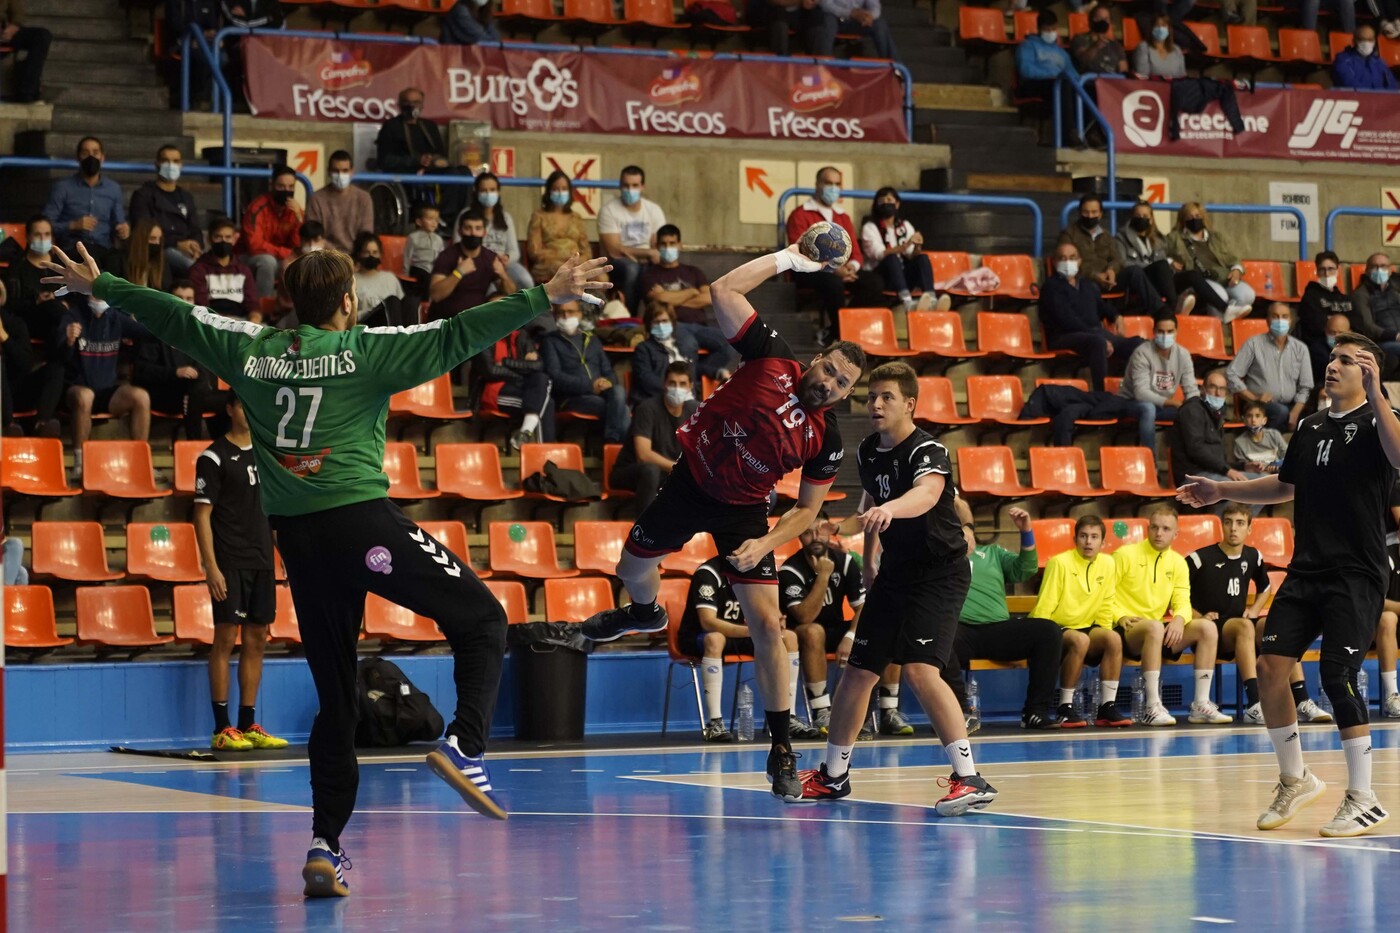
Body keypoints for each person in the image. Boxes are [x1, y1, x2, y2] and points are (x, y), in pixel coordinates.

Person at [42, 238, 612, 895]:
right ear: (347, 302)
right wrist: (544, 294)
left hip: (298, 543)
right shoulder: (366, 351)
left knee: (337, 697)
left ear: (292, 303)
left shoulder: (251, 350)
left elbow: (176, 314)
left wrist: (103, 285)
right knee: (483, 618)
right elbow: (458, 332)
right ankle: (465, 746)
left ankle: (324, 844)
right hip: (361, 526)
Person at [579, 242, 864, 802]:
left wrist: (764, 543)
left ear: (847, 394)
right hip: (690, 482)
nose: (829, 383)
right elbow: (723, 289)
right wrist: (791, 256)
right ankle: (643, 612)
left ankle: (781, 747)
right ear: (816, 360)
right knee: (630, 569)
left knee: (768, 625)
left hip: (745, 511)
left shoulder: (826, 439)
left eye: (841, 384)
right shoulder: (772, 356)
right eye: (829, 369)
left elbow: (808, 511)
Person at [1178, 330, 1399, 837]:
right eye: (1333, 358)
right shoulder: (1311, 426)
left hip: (1357, 571)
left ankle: (1364, 797)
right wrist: (1221, 490)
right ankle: (1295, 778)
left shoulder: (1381, 420)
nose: (1333, 366)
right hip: (1307, 569)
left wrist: (1378, 394)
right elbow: (1284, 485)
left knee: (1338, 676)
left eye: (1347, 361)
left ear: (1368, 372)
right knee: (1271, 667)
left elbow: (1398, 456)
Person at [799, 362, 996, 811]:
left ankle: (970, 778)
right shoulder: (869, 450)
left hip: (939, 573)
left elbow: (925, 495)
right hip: (894, 574)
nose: (876, 404)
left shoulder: (928, 450)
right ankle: (833, 776)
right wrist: (870, 557)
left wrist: (891, 510)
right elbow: (872, 502)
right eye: (871, 396)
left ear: (909, 404)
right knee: (858, 671)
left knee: (920, 671)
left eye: (886, 397)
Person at [194, 393, 287, 752]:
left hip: (261, 560)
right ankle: (221, 727)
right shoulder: (213, 457)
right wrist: (211, 567)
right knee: (225, 637)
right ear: (230, 409)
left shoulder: (266, 454)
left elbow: (274, 512)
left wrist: (285, 554)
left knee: (257, 638)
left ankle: (248, 723)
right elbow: (201, 516)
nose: (249, 412)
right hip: (229, 561)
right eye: (243, 405)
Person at [781, 512, 909, 737]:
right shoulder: (790, 570)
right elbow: (804, 616)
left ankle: (889, 712)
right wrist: (823, 576)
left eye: (820, 531)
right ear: (799, 536)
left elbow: (862, 607)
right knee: (813, 631)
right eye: (808, 533)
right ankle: (822, 710)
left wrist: (850, 636)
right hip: (803, 634)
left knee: (886, 626)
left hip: (837, 628)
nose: (816, 537)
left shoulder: (845, 561)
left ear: (829, 533)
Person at [938, 501, 1063, 730]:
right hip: (959, 630)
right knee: (939, 637)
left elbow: (1025, 570)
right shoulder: (938, 557)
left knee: (1049, 632)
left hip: (997, 631)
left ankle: (1035, 712)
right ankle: (960, 713)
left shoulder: (992, 553)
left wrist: (1026, 531)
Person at [1111, 504, 1230, 726]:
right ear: (1148, 529)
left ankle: (1200, 704)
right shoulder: (1124, 555)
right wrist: (1119, 616)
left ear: (1175, 534)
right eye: (1155, 527)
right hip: (1126, 629)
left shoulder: (1178, 563)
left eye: (1165, 529)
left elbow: (1182, 601)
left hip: (1156, 630)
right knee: (1155, 626)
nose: (1159, 533)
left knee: (1206, 627)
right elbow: (1105, 593)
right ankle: (1152, 706)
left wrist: (1179, 619)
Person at [681, 555, 815, 742]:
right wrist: (753, 630)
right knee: (715, 639)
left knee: (788, 638)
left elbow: (773, 613)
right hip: (700, 636)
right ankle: (714, 723)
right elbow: (707, 622)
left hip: (745, 632)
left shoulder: (758, 570)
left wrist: (776, 622)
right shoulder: (709, 573)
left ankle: (789, 718)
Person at [1031, 513, 1132, 728]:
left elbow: (1106, 603)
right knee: (1080, 640)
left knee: (1113, 638)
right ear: (1075, 539)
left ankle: (1107, 707)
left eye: (1094, 537)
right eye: (1083, 536)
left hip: (1088, 627)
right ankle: (1064, 707)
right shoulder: (1059, 563)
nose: (1088, 542)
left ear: (1103, 542)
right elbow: (1045, 605)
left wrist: (1104, 631)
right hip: (1056, 628)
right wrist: (1039, 642)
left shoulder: (1108, 563)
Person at [1186, 503, 1272, 725]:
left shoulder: (1253, 556)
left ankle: (1301, 700)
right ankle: (1255, 703)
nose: (1233, 528)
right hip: (1207, 631)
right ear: (1222, 526)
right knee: (1244, 626)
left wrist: (1254, 609)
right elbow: (1176, 594)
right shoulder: (1199, 558)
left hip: (1239, 630)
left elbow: (1265, 587)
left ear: (1249, 529)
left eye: (1240, 523)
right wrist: (1198, 616)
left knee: (1273, 626)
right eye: (1228, 522)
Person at [58, 294, 152, 480]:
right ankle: (80, 463)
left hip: (106, 391)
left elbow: (147, 334)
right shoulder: (72, 316)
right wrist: (68, 341)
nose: (100, 296)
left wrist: (165, 322)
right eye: (95, 290)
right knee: (85, 396)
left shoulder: (115, 317)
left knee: (140, 397)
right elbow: (56, 357)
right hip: (76, 388)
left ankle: (139, 462)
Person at [785, 166, 877, 344]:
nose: (833, 188)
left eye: (837, 184)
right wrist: (834, 269)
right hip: (808, 270)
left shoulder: (843, 217)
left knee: (874, 283)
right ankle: (842, 334)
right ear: (817, 185)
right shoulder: (800, 215)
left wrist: (851, 268)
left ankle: (836, 330)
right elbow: (802, 250)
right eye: (828, 183)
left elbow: (856, 253)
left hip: (840, 271)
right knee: (833, 283)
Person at [1039, 241, 1143, 392]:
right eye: (1062, 258)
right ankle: (1100, 394)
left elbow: (1102, 307)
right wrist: (1096, 335)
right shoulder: (1050, 287)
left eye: (1072, 257)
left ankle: (1133, 391)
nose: (1068, 262)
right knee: (1097, 342)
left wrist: (1117, 316)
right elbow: (1066, 320)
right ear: (1055, 262)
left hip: (1094, 333)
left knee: (1138, 344)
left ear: (1079, 261)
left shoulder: (1087, 285)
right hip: (1064, 336)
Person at [133, 279, 226, 440]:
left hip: (194, 395)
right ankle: (194, 444)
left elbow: (204, 371)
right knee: (195, 392)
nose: (184, 303)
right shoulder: (154, 330)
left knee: (232, 401)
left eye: (189, 299)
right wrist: (175, 372)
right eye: (179, 298)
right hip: (164, 393)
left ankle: (223, 449)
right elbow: (141, 371)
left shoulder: (198, 332)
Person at [4, 215, 64, 436]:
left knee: (58, 312)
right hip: (30, 320)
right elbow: (11, 304)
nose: (43, 239)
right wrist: (37, 301)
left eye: (47, 234)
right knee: (54, 309)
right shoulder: (17, 267)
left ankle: (43, 423)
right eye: (38, 235)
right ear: (28, 237)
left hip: (56, 326)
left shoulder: (60, 267)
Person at [609, 361, 696, 513]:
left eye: (682, 384)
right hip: (631, 471)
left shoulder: (695, 411)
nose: (677, 388)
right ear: (664, 384)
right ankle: (645, 524)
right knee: (651, 471)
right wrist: (679, 468)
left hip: (667, 473)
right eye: (672, 383)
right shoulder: (647, 409)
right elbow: (643, 455)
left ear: (690, 387)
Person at [540, 300, 629, 443]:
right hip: (570, 398)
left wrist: (607, 382)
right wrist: (590, 386)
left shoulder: (592, 340)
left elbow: (608, 371)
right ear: (554, 316)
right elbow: (555, 376)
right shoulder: (550, 341)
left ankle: (611, 443)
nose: (566, 316)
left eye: (570, 312)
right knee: (620, 409)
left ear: (580, 314)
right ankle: (612, 445)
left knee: (618, 391)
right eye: (561, 312)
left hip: (600, 392)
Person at [1170, 369, 1263, 495]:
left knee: (1265, 483)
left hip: (1215, 473)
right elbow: (1196, 450)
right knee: (1235, 487)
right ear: (1203, 389)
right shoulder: (1191, 410)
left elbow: (1217, 461)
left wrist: (1244, 467)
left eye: (1222, 389)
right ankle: (1229, 509)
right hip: (1193, 476)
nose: (1218, 393)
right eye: (1213, 387)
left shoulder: (1216, 414)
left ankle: (1242, 508)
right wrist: (1227, 470)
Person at [1225, 302, 1313, 432]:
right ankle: (1269, 442)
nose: (1280, 320)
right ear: (1267, 320)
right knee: (1280, 412)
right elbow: (1231, 374)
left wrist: (1295, 413)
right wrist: (1254, 398)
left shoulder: (1300, 349)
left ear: (1291, 321)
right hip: (1259, 405)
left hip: (1292, 405)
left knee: (1313, 418)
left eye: (1284, 316)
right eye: (1275, 316)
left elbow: (1306, 386)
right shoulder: (1253, 344)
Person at [1117, 314, 1198, 451]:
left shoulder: (1183, 355)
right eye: (1161, 331)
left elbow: (1191, 390)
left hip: (1161, 407)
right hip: (1132, 403)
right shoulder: (1142, 353)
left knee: (1193, 411)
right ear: (1154, 332)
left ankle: (1188, 459)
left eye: (1170, 331)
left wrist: (1194, 407)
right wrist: (1172, 403)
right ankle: (1150, 459)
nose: (1165, 336)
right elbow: (1141, 393)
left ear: (1176, 332)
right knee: (1148, 408)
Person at [1059, 195, 1153, 312]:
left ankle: (1160, 312)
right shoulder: (1068, 234)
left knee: (1135, 271)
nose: (1090, 216)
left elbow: (1117, 259)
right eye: (1086, 212)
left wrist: (1111, 270)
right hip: (1085, 280)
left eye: (1094, 212)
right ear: (1079, 213)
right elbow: (1067, 262)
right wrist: (1095, 276)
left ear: (1100, 214)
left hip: (1109, 280)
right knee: (1090, 287)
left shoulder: (1106, 235)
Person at [470, 323, 555, 450]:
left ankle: (525, 434)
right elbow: (490, 371)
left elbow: (538, 366)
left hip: (519, 388)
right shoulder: (483, 338)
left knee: (542, 378)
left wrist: (505, 362)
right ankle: (546, 453)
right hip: (494, 392)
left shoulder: (521, 335)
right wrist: (522, 369)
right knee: (546, 403)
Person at [1166, 203, 1255, 323]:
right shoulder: (1174, 237)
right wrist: (1171, 262)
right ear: (1183, 219)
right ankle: (1218, 326)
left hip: (1224, 276)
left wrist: (1236, 270)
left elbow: (1233, 258)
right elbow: (1160, 254)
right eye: (1190, 217)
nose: (1194, 219)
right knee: (1220, 295)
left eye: (1197, 216)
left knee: (1248, 294)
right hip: (1201, 280)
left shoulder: (1217, 237)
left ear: (1203, 217)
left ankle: (1226, 319)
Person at [44, 137, 128, 263]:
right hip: (72, 249)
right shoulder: (62, 187)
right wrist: (73, 225)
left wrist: (124, 230)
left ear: (102, 157)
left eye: (95, 153)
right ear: (78, 158)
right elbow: (46, 224)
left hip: (104, 249)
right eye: (85, 153)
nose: (91, 157)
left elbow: (119, 222)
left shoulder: (113, 189)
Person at [631, 305, 735, 404]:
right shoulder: (643, 349)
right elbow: (645, 378)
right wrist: (672, 391)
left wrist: (717, 372)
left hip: (687, 400)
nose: (661, 326)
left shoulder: (680, 346)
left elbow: (693, 368)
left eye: (665, 321)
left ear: (672, 322)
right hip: (658, 400)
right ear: (649, 324)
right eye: (656, 322)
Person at [858, 188, 940, 313]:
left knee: (922, 258)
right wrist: (905, 246)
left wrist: (917, 246)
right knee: (891, 258)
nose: (886, 203)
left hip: (902, 275)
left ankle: (932, 300)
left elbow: (912, 255)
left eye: (889, 200)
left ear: (897, 204)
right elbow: (879, 254)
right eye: (882, 201)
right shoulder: (870, 227)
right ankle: (907, 302)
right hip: (881, 277)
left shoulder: (904, 225)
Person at [598, 165, 666, 313]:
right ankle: (629, 315)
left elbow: (658, 246)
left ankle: (655, 316)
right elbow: (614, 250)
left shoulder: (654, 210)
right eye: (626, 185)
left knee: (657, 269)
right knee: (632, 269)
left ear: (642, 187)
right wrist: (647, 252)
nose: (630, 189)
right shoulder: (608, 210)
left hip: (647, 262)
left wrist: (629, 251)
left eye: (635, 185)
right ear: (620, 186)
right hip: (618, 265)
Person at [427, 210, 516, 322]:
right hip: (447, 321)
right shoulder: (448, 256)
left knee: (500, 301)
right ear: (460, 231)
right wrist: (458, 272)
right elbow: (436, 295)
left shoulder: (490, 258)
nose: (473, 233)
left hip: (476, 321)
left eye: (478, 228)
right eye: (468, 228)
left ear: (484, 232)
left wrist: (503, 275)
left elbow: (512, 295)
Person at [128, 145, 205, 276]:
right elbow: (143, 231)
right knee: (195, 268)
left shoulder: (186, 197)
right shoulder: (143, 195)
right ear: (157, 164)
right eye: (165, 161)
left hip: (187, 250)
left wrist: (196, 246)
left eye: (175, 161)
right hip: (160, 249)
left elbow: (195, 229)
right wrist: (177, 244)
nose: (171, 165)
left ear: (181, 165)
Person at [457, 172, 533, 292]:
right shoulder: (466, 215)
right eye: (484, 190)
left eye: (492, 190)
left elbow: (514, 251)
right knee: (490, 289)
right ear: (476, 192)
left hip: (503, 264)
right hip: (477, 264)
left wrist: (506, 258)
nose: (488, 194)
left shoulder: (505, 217)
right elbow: (458, 246)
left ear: (498, 192)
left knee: (526, 281)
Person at [1114, 200, 1188, 315]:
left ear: (1151, 219)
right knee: (1162, 265)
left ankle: (1211, 309)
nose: (1141, 219)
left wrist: (1171, 263)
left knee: (1191, 275)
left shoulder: (1158, 239)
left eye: (1145, 216)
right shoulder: (1121, 238)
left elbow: (1164, 260)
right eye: (1138, 216)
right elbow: (1123, 263)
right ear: (1132, 218)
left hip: (1156, 279)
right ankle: (1173, 306)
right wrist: (1150, 266)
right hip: (1137, 278)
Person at [1015, 10, 1079, 142]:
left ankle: (1090, 132)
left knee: (1083, 89)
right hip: (1034, 84)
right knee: (1063, 86)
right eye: (1047, 29)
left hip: (1058, 84)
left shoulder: (1062, 53)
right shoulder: (1028, 46)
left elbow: (1072, 73)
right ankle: (1069, 133)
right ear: (1039, 29)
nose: (1051, 32)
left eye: (1053, 29)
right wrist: (1052, 75)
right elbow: (1026, 70)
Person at [241, 165, 302, 298]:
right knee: (268, 262)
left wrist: (299, 219)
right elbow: (254, 245)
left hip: (280, 258)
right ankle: (262, 306)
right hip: (248, 257)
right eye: (281, 186)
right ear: (272, 185)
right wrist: (285, 253)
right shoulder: (257, 208)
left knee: (301, 262)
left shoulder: (295, 210)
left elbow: (298, 245)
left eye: (291, 187)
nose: (286, 191)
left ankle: (290, 307)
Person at [1298, 251, 1354, 386]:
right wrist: (1339, 324)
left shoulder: (1346, 299)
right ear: (1317, 271)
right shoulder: (1310, 297)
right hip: (1323, 345)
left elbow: (1358, 324)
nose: (1327, 274)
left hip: (1349, 343)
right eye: (1322, 269)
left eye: (1331, 269)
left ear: (1337, 270)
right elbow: (1316, 326)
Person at [527, 171, 592, 286]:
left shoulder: (576, 217)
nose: (560, 192)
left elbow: (586, 251)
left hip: (576, 263)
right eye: (556, 189)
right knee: (567, 273)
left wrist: (578, 261)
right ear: (548, 191)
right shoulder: (539, 216)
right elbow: (534, 251)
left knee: (602, 276)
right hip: (549, 264)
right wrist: (564, 258)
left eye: (564, 189)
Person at [640, 224, 713, 325]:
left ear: (680, 245)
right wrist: (692, 292)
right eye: (663, 244)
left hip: (701, 326)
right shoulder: (650, 275)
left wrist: (672, 300)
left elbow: (709, 298)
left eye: (672, 243)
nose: (668, 247)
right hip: (672, 326)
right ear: (657, 246)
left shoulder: (693, 271)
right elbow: (660, 299)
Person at [190, 216, 260, 320]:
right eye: (218, 237)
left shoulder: (243, 270)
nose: (223, 241)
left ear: (234, 239)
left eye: (228, 237)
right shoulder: (198, 269)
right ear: (209, 239)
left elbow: (252, 304)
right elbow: (201, 306)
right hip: (212, 321)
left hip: (240, 321)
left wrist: (255, 319)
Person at [306, 151, 374, 255]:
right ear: (328, 172)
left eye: (345, 170)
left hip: (357, 258)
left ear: (352, 172)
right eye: (335, 171)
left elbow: (366, 235)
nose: (340, 175)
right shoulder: (316, 199)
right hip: (326, 256)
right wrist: (337, 256)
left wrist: (355, 259)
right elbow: (314, 235)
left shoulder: (364, 198)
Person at [375, 87, 448, 175]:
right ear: (399, 105)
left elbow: (441, 154)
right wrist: (417, 160)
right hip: (403, 175)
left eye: (416, 102)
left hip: (430, 173)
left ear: (422, 105)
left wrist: (434, 160)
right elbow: (384, 160)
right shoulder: (391, 126)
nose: (411, 106)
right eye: (407, 102)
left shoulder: (430, 126)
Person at [1349, 253, 1400, 377]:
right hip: (1380, 342)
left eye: (1383, 266)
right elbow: (1367, 326)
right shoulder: (1361, 295)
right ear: (1366, 270)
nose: (1379, 270)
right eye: (1374, 266)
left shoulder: (1395, 291)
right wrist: (1395, 336)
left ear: (1390, 270)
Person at [811, 0, 898, 61]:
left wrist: (869, 16)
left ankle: (895, 69)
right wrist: (850, 13)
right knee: (827, 19)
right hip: (835, 19)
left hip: (856, 21)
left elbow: (875, 6)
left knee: (879, 24)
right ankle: (823, 64)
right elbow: (826, 5)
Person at [0, 0, 51, 103]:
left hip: (3, 32)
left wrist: (14, 26)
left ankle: (27, 91)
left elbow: (18, 13)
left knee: (42, 36)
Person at [350, 233, 405, 328]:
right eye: (367, 252)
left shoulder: (390, 278)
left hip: (390, 326)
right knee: (392, 301)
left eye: (375, 252)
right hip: (365, 325)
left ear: (380, 254)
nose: (371, 256)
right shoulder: (351, 280)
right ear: (359, 254)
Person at [0, 280, 32, 436]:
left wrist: (4, 337)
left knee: (55, 369)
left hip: (13, 386)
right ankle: (8, 424)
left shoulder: (15, 324)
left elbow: (25, 363)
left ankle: (43, 424)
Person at [403, 204, 444, 312]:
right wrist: (405, 274)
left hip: (433, 267)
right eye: (430, 219)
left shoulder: (438, 239)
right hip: (419, 267)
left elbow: (442, 256)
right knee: (425, 276)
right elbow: (407, 257)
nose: (434, 222)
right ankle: (425, 303)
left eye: (436, 220)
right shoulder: (413, 237)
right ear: (419, 222)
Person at [115, 220, 174, 293]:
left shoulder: (162, 263)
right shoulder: (120, 259)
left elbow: (166, 290)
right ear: (141, 240)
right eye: (152, 238)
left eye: (159, 239)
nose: (157, 243)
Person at [1333, 25, 1398, 90]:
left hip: (1381, 96)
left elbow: (1392, 86)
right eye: (1362, 39)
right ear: (1354, 41)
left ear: (1374, 41)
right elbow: (1350, 84)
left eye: (1370, 39)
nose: (1366, 43)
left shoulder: (1379, 62)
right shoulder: (1343, 60)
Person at [1233, 400, 1287, 474]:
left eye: (1257, 416)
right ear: (1244, 420)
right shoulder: (1239, 443)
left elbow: (1288, 456)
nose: (1253, 420)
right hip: (1256, 477)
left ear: (1264, 420)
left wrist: (1278, 464)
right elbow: (1243, 469)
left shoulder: (1274, 435)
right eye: (1249, 416)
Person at [1071, 5, 1128, 74]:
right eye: (1098, 18)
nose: (1102, 21)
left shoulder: (1116, 46)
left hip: (1111, 79)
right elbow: (1082, 61)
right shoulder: (1079, 39)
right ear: (1090, 20)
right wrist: (1096, 47)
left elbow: (1123, 71)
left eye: (1106, 19)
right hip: (1089, 78)